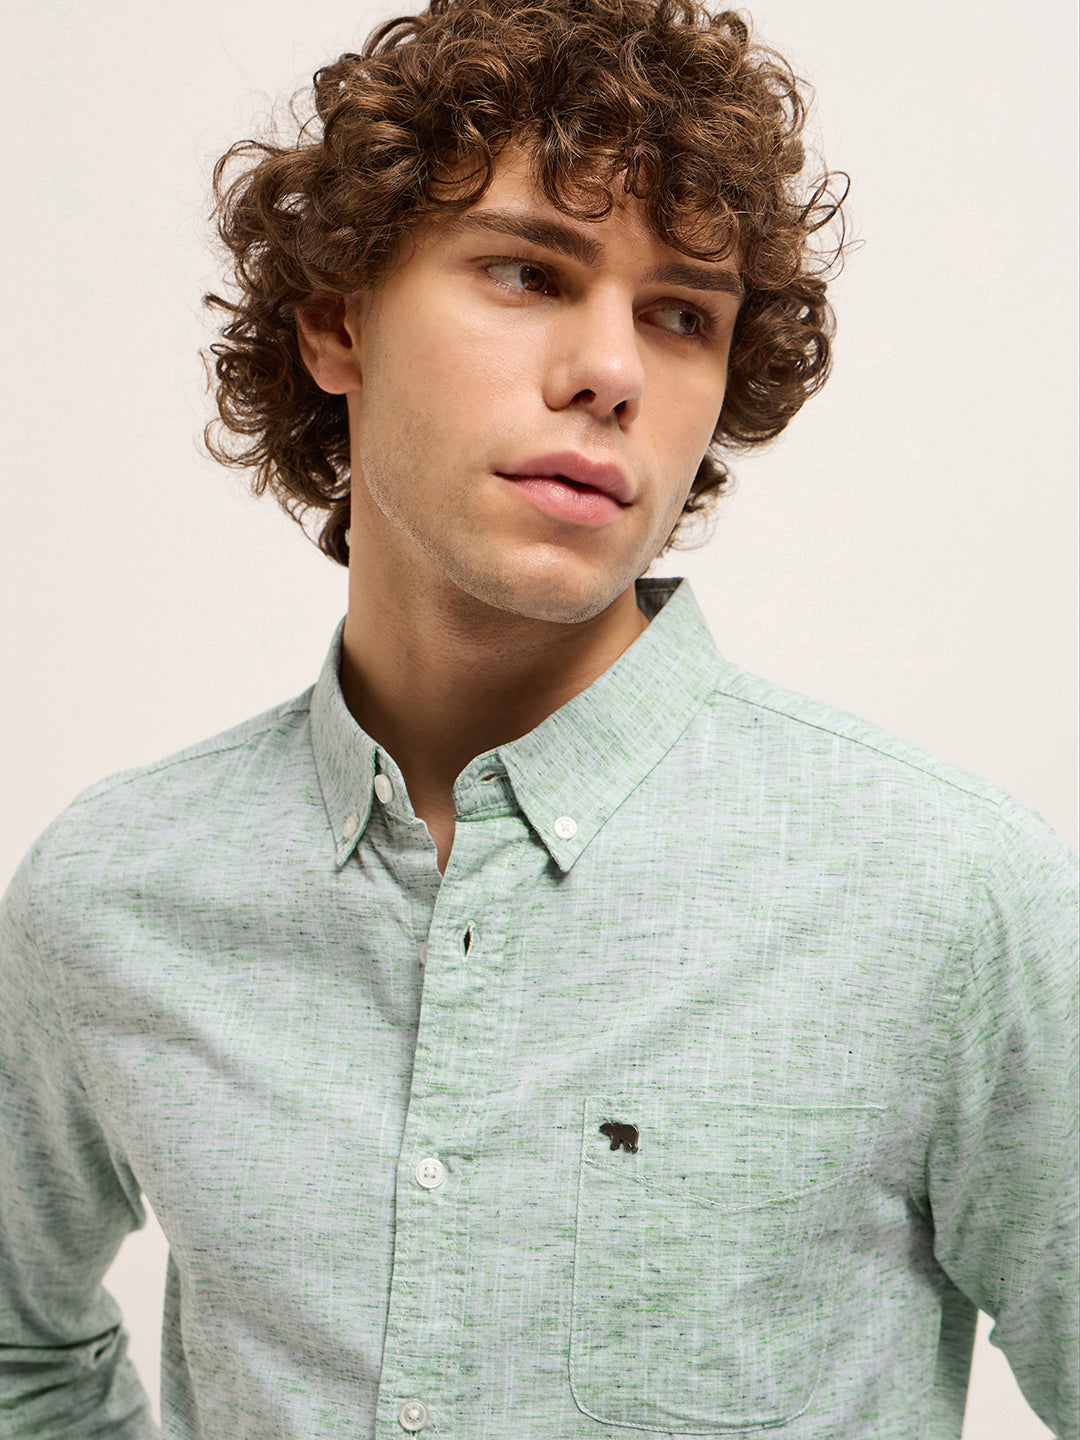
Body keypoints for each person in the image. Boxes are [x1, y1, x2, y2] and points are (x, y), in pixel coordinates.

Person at [0, 0, 1076, 1435]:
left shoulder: (950, 900)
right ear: (336, 320)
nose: (613, 372)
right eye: (526, 270)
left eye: (682, 315)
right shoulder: (112, 892)